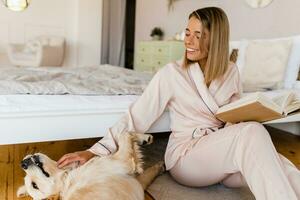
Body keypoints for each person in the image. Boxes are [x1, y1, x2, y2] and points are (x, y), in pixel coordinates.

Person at [57, 7, 300, 200]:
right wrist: (93, 151)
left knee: (276, 161)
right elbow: (135, 118)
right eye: (187, 32)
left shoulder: (231, 72)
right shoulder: (171, 74)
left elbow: (232, 117)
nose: (189, 41)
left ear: (215, 39)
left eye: (198, 35)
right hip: (188, 158)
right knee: (253, 134)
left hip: (221, 158)